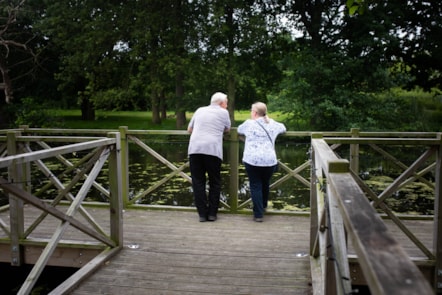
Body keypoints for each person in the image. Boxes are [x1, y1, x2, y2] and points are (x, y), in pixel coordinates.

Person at [237, 102, 286, 222]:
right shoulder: (273, 123)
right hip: (269, 160)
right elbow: (284, 128)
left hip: (252, 160)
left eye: (251, 110)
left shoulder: (249, 124)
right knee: (265, 183)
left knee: (255, 185)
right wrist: (268, 120)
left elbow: (239, 130)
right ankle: (263, 206)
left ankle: (258, 214)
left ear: (254, 112)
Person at [188, 92, 231, 222]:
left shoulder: (200, 110)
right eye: (227, 102)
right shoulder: (224, 112)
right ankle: (212, 214)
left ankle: (202, 214)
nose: (227, 105)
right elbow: (228, 129)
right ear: (222, 103)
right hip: (212, 150)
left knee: (198, 182)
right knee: (215, 182)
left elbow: (190, 129)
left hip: (195, 149)